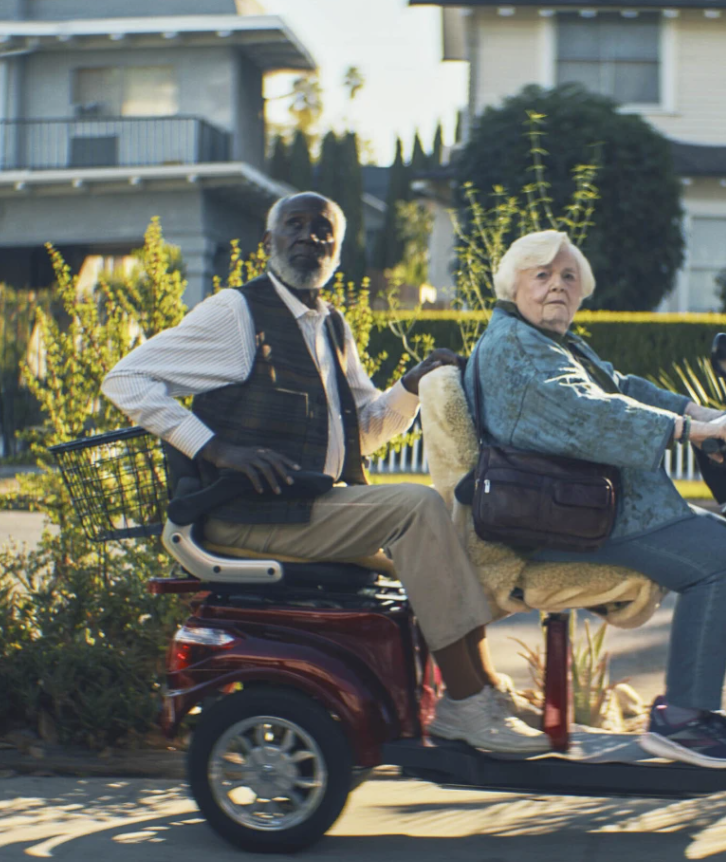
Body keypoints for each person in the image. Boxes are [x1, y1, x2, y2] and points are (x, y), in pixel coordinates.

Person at [102, 192, 546, 754]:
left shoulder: (330, 324)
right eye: (296, 226)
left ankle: (483, 691)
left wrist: (410, 386)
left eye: (323, 230)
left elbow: (360, 430)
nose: (310, 237)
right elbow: (126, 379)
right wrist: (215, 449)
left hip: (303, 507)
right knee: (417, 509)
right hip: (247, 513)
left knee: (450, 542)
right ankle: (464, 705)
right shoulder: (235, 314)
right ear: (269, 243)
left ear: (337, 251)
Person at [467, 229, 726, 768]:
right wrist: (684, 431)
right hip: (561, 520)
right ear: (515, 286)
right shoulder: (514, 348)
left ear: (580, 293)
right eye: (542, 275)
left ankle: (695, 706)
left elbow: (618, 386)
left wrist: (698, 413)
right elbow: (584, 413)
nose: (556, 286)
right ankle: (686, 721)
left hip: (588, 507)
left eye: (568, 277)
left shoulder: (550, 341)